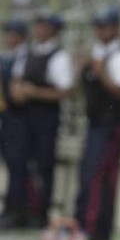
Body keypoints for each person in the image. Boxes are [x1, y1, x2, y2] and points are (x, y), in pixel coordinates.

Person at [5, 12, 72, 229]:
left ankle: (39, 214)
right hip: (24, 119)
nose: (38, 29)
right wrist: (17, 92)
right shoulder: (28, 52)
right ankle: (18, 211)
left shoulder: (59, 56)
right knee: (20, 164)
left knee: (43, 166)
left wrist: (34, 93)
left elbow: (63, 92)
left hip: (45, 119)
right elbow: (16, 79)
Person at [73, 6, 120, 240]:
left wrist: (101, 73)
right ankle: (83, 224)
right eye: (98, 26)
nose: (100, 31)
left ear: (116, 28)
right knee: (88, 174)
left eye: (105, 26)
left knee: (101, 176)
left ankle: (96, 229)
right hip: (95, 123)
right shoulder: (98, 53)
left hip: (111, 125)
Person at [0, 19, 27, 227]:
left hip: (18, 120)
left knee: (17, 166)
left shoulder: (25, 57)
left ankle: (16, 211)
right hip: (6, 118)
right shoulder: (6, 57)